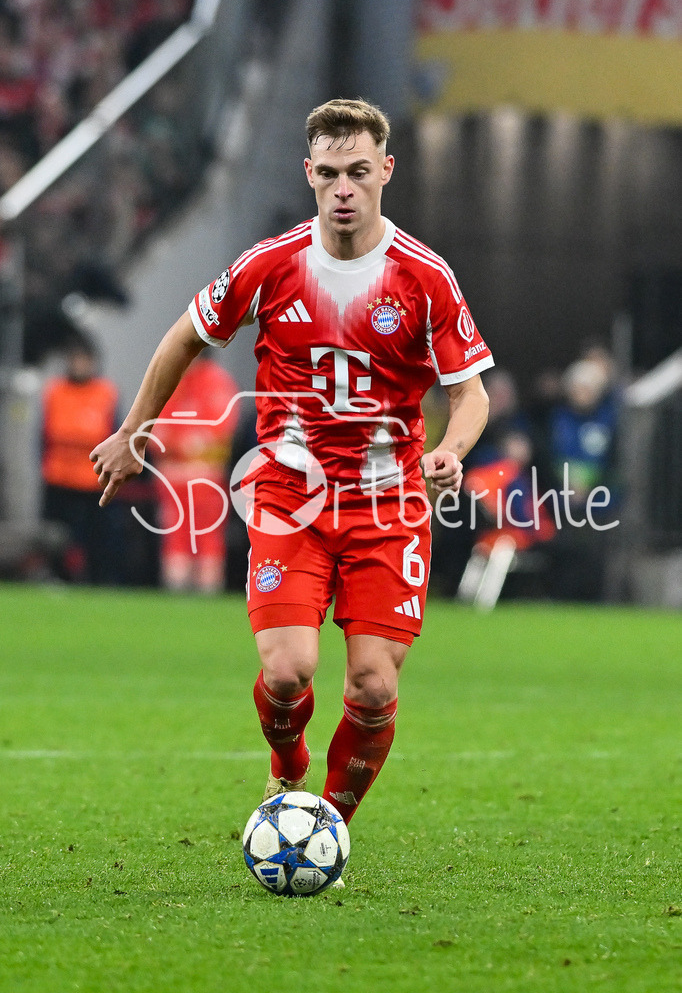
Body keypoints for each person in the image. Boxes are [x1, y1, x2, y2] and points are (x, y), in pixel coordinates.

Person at [89, 98, 493, 833]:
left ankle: (327, 825)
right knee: (286, 672)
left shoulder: (424, 277)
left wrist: (450, 451)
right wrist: (131, 431)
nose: (345, 188)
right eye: (330, 173)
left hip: (387, 505)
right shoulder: (270, 266)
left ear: (385, 172)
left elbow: (470, 393)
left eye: (359, 172)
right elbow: (183, 337)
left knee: (371, 687)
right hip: (289, 498)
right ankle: (288, 770)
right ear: (309, 174)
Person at [152, 351, 240, 593]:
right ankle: (176, 596)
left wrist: (183, 447)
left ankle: (206, 596)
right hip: (174, 480)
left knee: (208, 540)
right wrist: (184, 446)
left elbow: (220, 432)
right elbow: (155, 433)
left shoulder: (217, 381)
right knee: (175, 538)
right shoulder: (170, 379)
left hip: (207, 479)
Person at [42, 339, 122, 583]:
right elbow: (44, 436)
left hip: (93, 480)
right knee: (57, 537)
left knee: (99, 538)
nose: (79, 365)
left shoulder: (105, 392)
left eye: (84, 359)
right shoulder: (55, 391)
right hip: (59, 478)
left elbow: (115, 435)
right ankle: (57, 579)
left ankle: (99, 581)